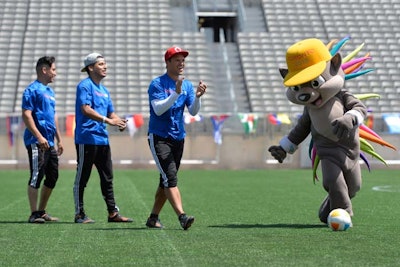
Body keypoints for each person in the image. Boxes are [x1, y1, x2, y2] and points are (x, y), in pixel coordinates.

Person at [146, 46, 207, 230]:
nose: (181, 64)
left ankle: (153, 218)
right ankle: (182, 216)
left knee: (165, 180)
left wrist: (197, 97)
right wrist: (176, 93)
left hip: (178, 136)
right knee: (170, 178)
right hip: (159, 136)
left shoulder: (186, 85)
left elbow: (194, 111)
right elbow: (158, 109)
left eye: (183, 60)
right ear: (168, 62)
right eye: (177, 60)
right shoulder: (157, 84)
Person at [73, 52, 133, 223]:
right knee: (82, 178)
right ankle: (79, 213)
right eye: (101, 64)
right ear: (90, 68)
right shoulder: (84, 86)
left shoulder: (105, 90)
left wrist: (118, 121)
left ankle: (112, 213)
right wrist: (109, 120)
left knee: (107, 178)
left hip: (102, 139)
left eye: (105, 64)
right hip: (87, 138)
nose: (105, 66)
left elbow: (110, 112)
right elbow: (85, 109)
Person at [22, 56, 64, 223]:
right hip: (36, 142)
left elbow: (52, 117)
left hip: (50, 143)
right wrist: (39, 137)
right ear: (44, 70)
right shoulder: (31, 90)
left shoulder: (49, 92)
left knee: (53, 176)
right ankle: (34, 214)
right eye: (53, 69)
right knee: (36, 176)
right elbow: (26, 115)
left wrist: (59, 139)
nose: (55, 73)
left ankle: (41, 211)